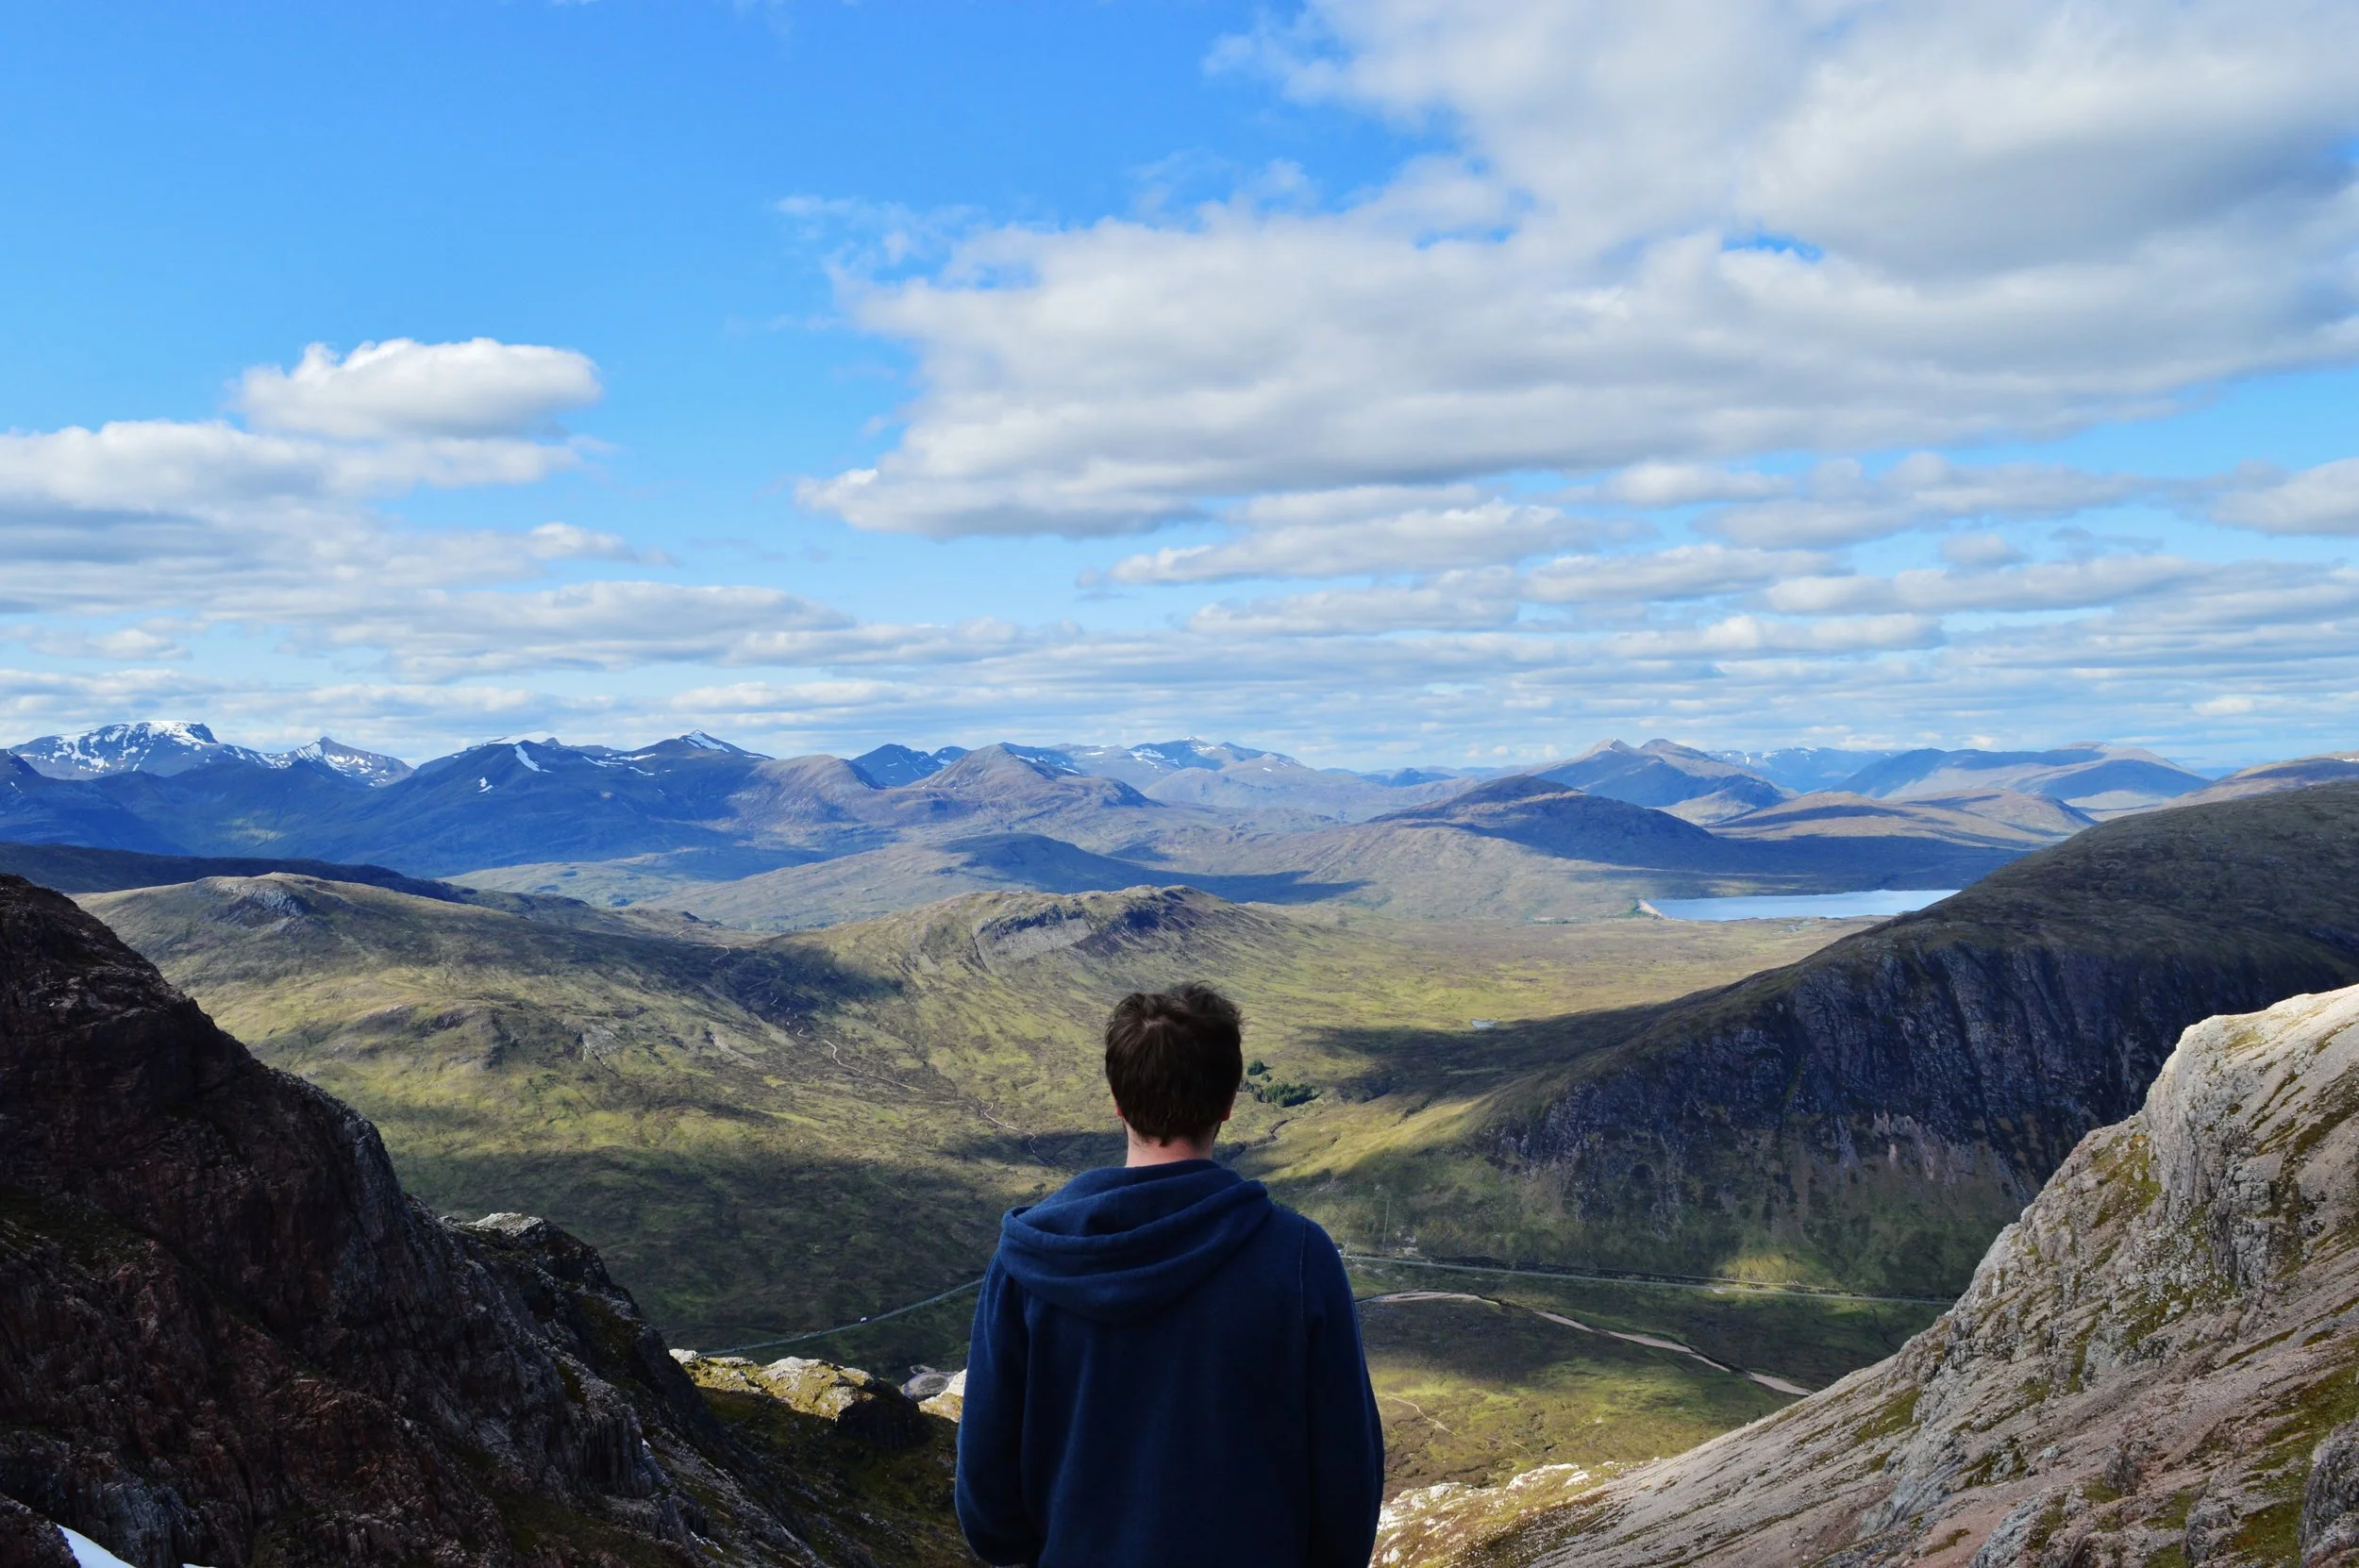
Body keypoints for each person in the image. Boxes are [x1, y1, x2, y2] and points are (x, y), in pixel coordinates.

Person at [954, 984, 1385, 1568]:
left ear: (1117, 1100)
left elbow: (985, 1495)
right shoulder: (1299, 1258)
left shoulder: (1027, 1263)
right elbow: (1347, 1480)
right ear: (1230, 1101)